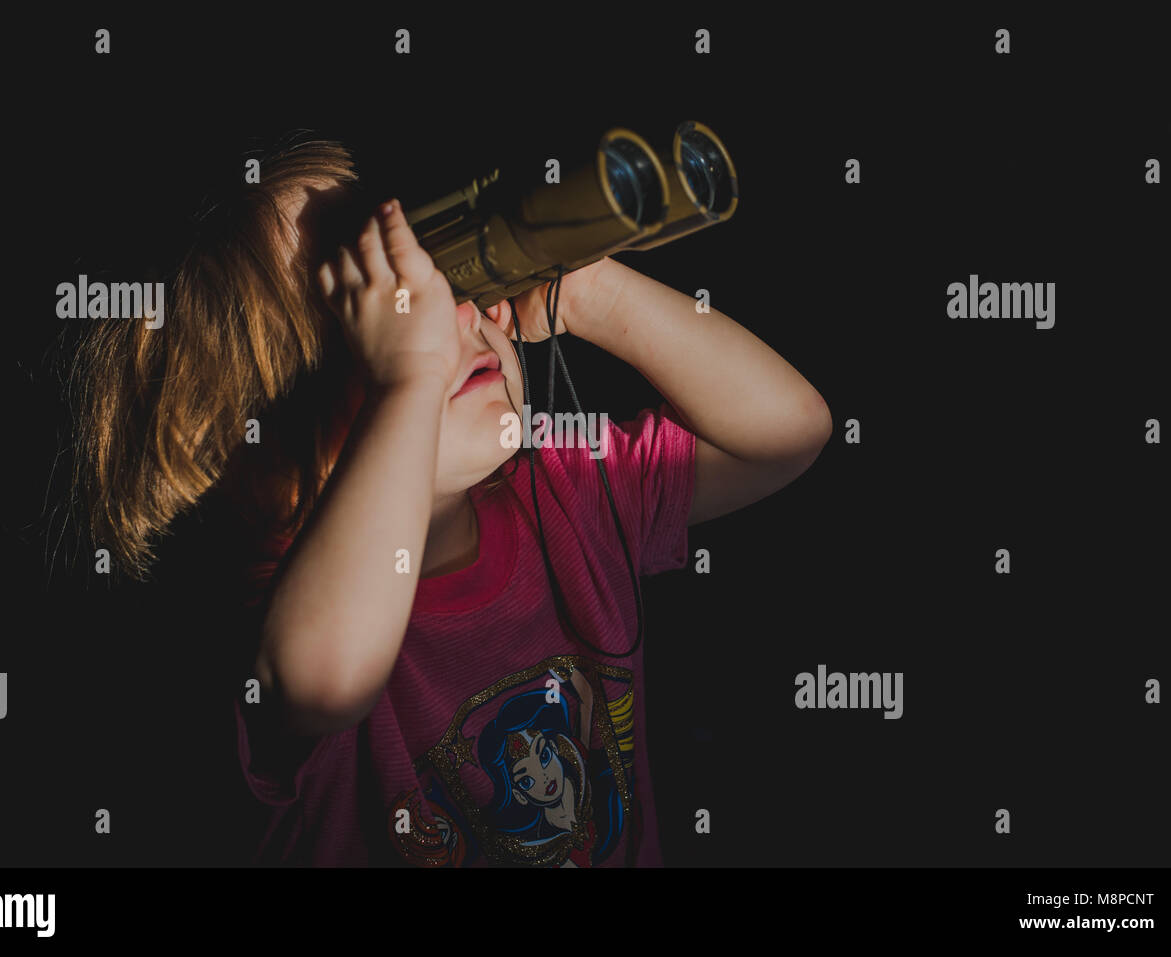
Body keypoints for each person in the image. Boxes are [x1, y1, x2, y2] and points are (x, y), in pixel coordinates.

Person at [67, 139, 833, 866]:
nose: (447, 317)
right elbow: (328, 676)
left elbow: (786, 432)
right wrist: (411, 381)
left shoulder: (568, 493)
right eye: (381, 312)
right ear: (251, 448)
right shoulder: (280, 613)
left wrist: (588, 289)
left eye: (435, 278)